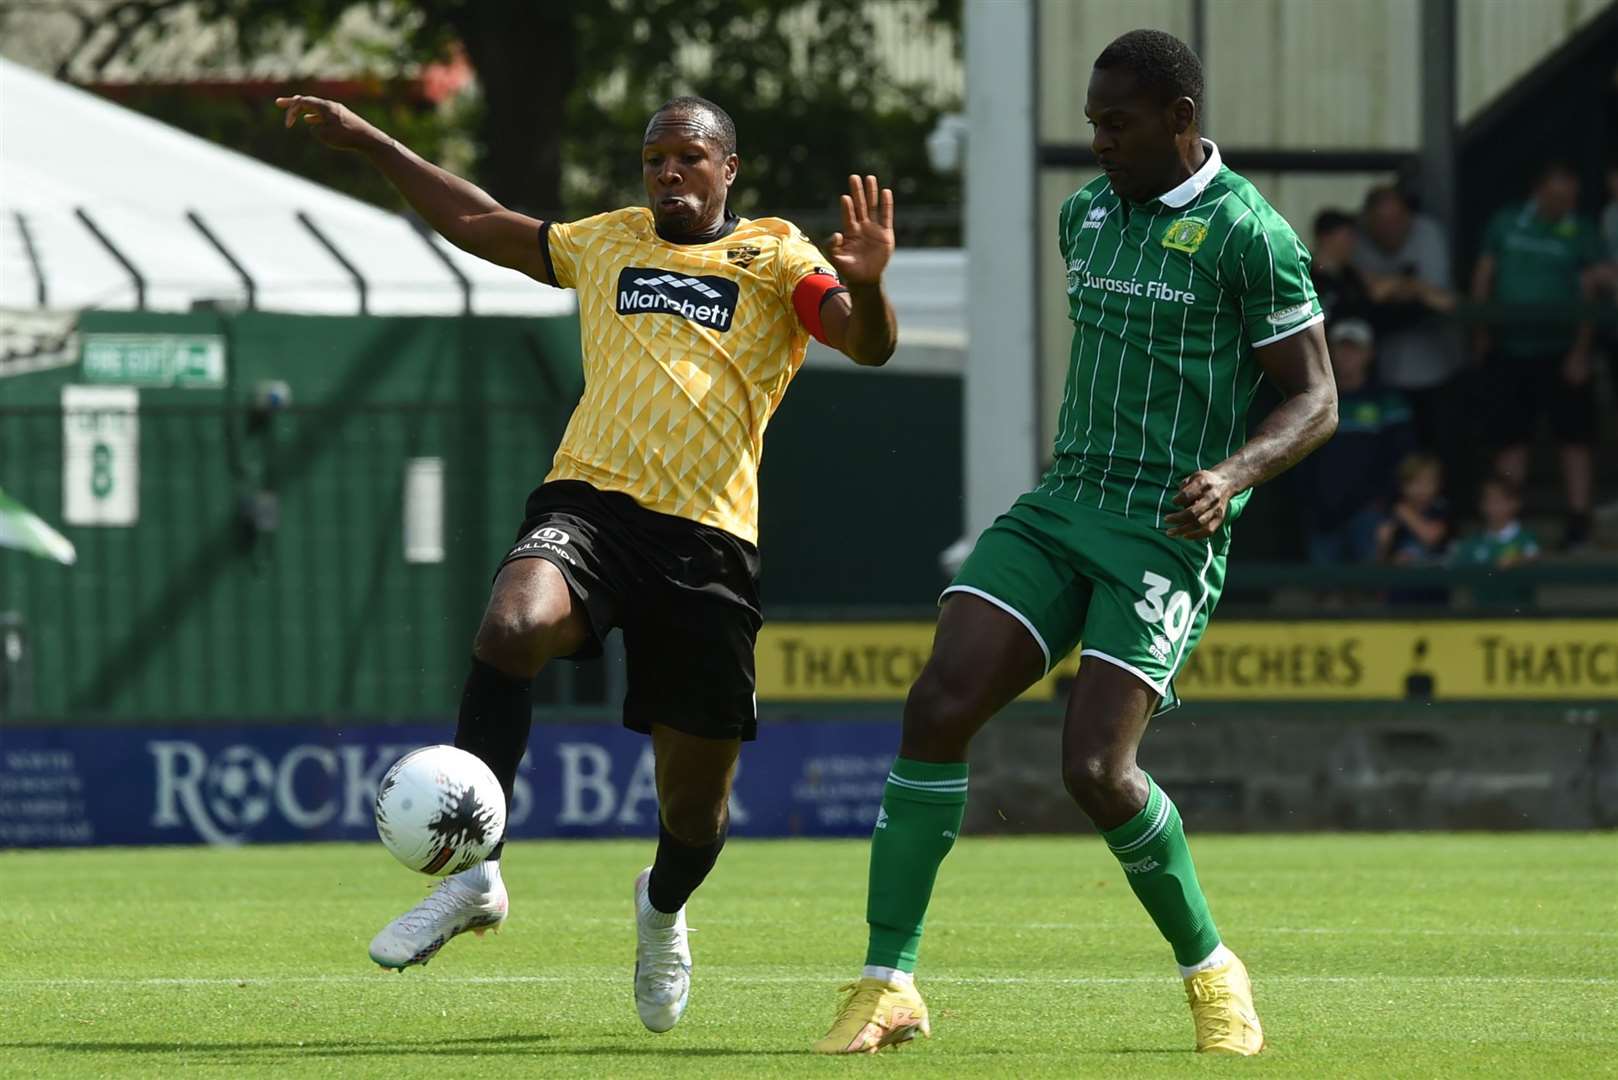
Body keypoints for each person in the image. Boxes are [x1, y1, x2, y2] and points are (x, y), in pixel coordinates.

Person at [276, 92, 899, 1031]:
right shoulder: (606, 240)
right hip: (592, 505)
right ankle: (478, 873)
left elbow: (865, 341)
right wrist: (369, 142)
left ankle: (661, 910)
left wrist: (872, 285)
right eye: (654, 159)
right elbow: (481, 222)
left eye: (688, 157)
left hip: (709, 544)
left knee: (694, 815)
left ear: (729, 167)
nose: (668, 173)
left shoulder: (774, 255)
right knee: (510, 625)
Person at [813, 29, 1335, 1058]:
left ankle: (1210, 972)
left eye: (1116, 123)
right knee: (937, 704)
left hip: (1162, 529)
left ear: (1179, 121)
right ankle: (887, 984)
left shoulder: (1249, 235)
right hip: (1062, 502)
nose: (1097, 142)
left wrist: (1230, 478)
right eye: (1092, 121)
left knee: (1094, 770)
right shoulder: (1086, 214)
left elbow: (1316, 397)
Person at [1473, 161, 1606, 551]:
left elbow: (1589, 292)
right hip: (1510, 349)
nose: (1562, 203)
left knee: (1574, 438)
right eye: (1555, 196)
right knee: (1511, 437)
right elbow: (1485, 274)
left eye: (1570, 198)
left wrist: (1581, 351)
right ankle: (1506, 520)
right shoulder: (1507, 222)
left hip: (1562, 350)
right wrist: (1481, 331)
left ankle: (1578, 522)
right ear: (1538, 191)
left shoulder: (1580, 230)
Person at [1298, 319, 1413, 564]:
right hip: (1323, 512)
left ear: (1370, 353)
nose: (1347, 355)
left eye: (1356, 348)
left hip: (1370, 512)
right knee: (1324, 592)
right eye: (1341, 347)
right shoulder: (1314, 400)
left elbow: (1401, 457)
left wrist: (1386, 503)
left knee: (1370, 590)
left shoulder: (1387, 401)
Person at [1353, 185, 1458, 450]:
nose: (1391, 228)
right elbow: (1368, 292)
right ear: (1368, 222)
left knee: (1435, 448)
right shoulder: (1357, 240)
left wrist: (1395, 287)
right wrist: (1413, 288)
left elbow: (1442, 299)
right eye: (1382, 222)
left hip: (1435, 371)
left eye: (1397, 220)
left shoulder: (1428, 233)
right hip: (1379, 373)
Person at [1451, 476, 1541, 610]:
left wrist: (1518, 560)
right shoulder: (1472, 543)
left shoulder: (1527, 538)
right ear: (1482, 505)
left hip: (1520, 616)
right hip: (1481, 616)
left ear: (1515, 503)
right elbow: (1455, 568)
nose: (1494, 506)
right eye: (1489, 500)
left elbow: (1535, 556)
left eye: (1500, 500)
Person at [1377, 452, 1449, 566]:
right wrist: (1383, 545)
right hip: (1401, 575)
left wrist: (1402, 511)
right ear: (1403, 485)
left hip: (1434, 572)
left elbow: (1431, 537)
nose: (1422, 489)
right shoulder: (1390, 512)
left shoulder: (1439, 507)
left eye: (1428, 482)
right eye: (1416, 483)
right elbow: (1381, 559)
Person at [1310, 208, 1373, 325]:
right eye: (1347, 236)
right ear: (1326, 238)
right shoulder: (1306, 278)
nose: (1353, 242)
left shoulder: (1352, 277)